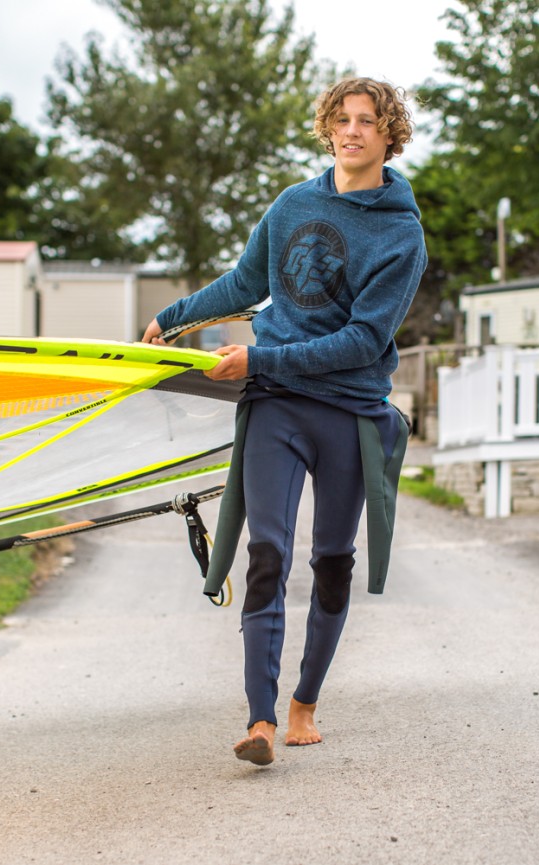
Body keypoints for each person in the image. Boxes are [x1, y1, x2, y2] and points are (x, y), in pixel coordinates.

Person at [142, 77, 427, 765]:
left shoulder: (400, 235)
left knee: (330, 562)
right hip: (276, 406)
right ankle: (260, 719)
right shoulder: (292, 203)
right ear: (328, 128)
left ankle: (304, 702)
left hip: (349, 410)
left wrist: (260, 360)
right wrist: (174, 317)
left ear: (389, 136)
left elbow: (363, 341)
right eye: (341, 120)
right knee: (265, 552)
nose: (351, 131)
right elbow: (245, 284)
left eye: (366, 122)